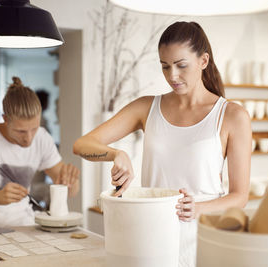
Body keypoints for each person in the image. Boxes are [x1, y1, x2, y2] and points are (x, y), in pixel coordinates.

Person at [73, 21, 251, 266]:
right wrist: (115, 154)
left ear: (203, 61)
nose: (172, 76)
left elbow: (240, 195)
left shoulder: (232, 116)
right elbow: (82, 144)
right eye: (165, 67)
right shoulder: (147, 107)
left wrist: (197, 208)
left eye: (181, 65)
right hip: (151, 235)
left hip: (203, 239)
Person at [0, 77, 80, 230]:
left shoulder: (42, 137)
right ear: (5, 119)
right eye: (21, 131)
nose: (29, 139)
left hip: (29, 227)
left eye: (34, 129)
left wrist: (72, 181)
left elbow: (71, 191)